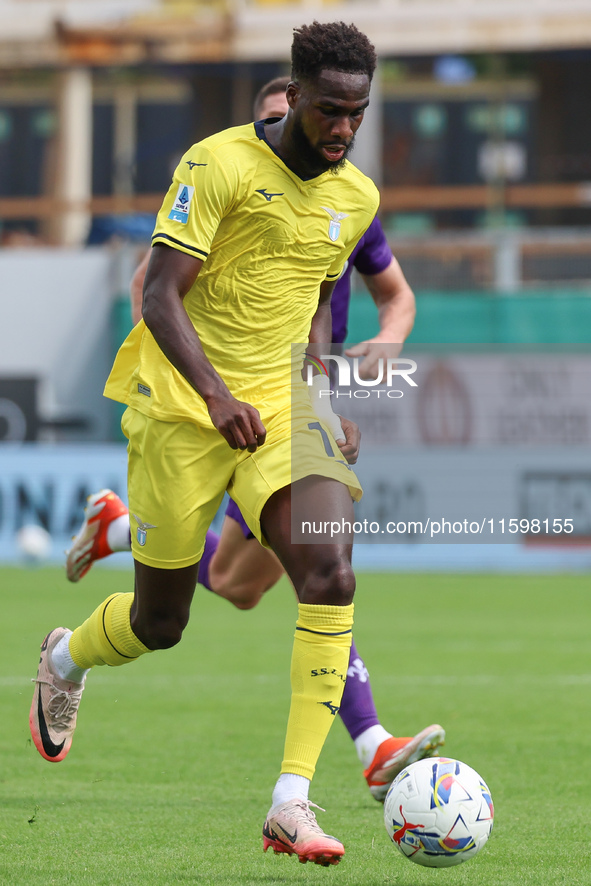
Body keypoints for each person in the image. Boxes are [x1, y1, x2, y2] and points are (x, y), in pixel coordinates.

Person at [30, 22, 434, 867]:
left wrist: (321, 396)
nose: (341, 130)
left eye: (355, 115)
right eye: (329, 111)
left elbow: (315, 306)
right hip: (180, 406)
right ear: (296, 93)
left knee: (329, 570)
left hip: (283, 408)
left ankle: (291, 800)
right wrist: (213, 396)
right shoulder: (215, 165)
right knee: (162, 620)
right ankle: (67, 657)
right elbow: (162, 297)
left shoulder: (353, 195)